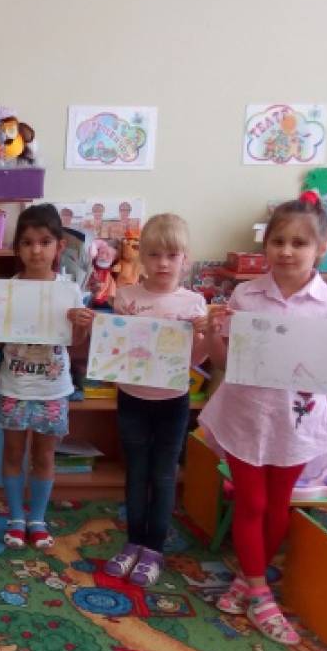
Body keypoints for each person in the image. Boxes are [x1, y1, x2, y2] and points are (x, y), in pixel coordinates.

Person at [200, 191, 327, 644]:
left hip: (297, 424)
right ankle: (262, 594)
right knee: (252, 503)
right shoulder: (246, 294)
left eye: (299, 243)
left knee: (278, 506)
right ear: (265, 246)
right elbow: (224, 361)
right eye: (277, 241)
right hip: (245, 416)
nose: (286, 251)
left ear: (321, 248)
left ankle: (247, 579)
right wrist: (213, 332)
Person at [0, 204, 93, 550]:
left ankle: (37, 518)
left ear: (59, 246)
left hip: (53, 388)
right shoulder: (6, 290)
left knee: (44, 455)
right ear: (17, 248)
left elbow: (74, 342)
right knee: (12, 452)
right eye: (27, 242)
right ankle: (15, 518)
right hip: (14, 385)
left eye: (45, 241)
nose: (36, 250)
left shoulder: (69, 290)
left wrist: (82, 326)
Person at [102, 214, 208, 586]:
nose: (163, 263)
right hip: (132, 398)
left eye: (172, 255)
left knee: (163, 475)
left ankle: (154, 549)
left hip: (173, 401)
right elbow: (115, 350)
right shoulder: (127, 297)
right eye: (154, 254)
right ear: (141, 256)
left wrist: (202, 335)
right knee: (136, 471)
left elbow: (197, 360)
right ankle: (133, 542)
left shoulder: (194, 303)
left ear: (185, 259)